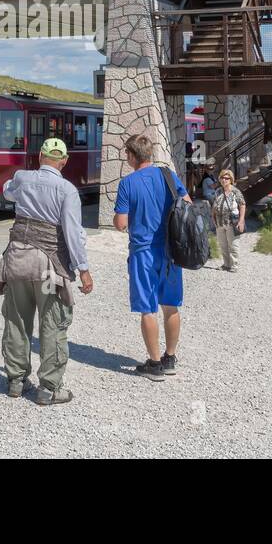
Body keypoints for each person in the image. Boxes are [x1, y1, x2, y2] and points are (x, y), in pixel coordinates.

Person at [0, 137, 93, 405]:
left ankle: (15, 380)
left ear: (40, 156)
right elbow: (73, 233)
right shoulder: (67, 190)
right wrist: (83, 268)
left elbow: (7, 191)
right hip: (48, 268)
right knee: (52, 323)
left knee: (16, 319)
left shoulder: (22, 178)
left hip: (17, 261)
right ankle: (49, 388)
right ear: (64, 161)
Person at [113, 134, 191, 381]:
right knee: (171, 306)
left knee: (148, 308)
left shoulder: (128, 184)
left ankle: (154, 364)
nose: (127, 158)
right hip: (170, 251)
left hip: (143, 252)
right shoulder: (168, 175)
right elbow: (187, 202)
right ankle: (170, 357)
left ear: (133, 156)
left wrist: (124, 217)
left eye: (127, 154)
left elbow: (121, 224)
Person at [210, 170, 245, 272]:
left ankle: (234, 265)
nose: (224, 180)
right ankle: (226, 264)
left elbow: (242, 205)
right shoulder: (218, 191)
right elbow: (214, 205)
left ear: (231, 180)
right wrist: (213, 217)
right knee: (223, 245)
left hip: (231, 222)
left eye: (227, 178)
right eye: (222, 178)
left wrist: (241, 221)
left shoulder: (235, 191)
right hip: (219, 222)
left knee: (233, 245)